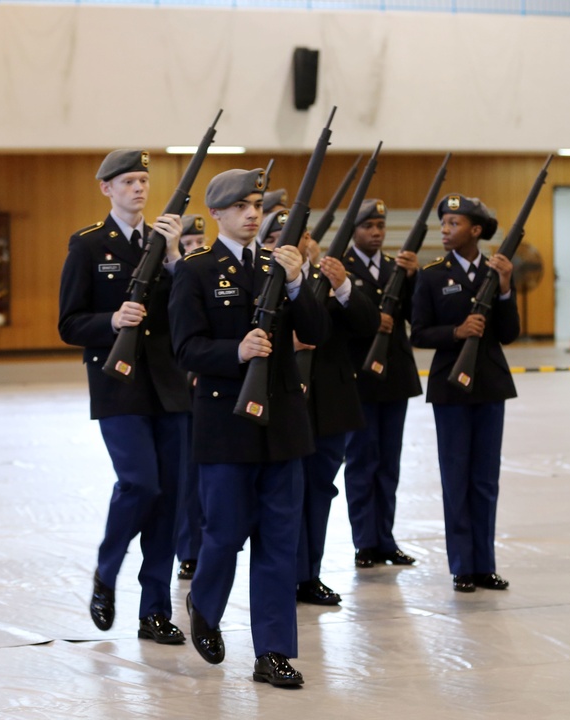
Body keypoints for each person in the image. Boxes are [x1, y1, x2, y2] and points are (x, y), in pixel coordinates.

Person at [169, 168, 328, 686]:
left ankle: (273, 652)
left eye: (256, 204)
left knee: (281, 541)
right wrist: (233, 352)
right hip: (226, 423)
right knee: (226, 533)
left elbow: (316, 331)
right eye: (239, 206)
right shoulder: (195, 270)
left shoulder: (278, 265)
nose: (252, 213)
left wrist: (301, 278)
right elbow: (185, 348)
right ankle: (206, 602)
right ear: (216, 214)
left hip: (282, 423)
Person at [58, 149, 190, 646]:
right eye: (128, 181)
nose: (138, 188)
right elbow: (69, 323)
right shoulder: (89, 245)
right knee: (141, 485)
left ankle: (154, 611)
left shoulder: (164, 244)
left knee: (170, 499)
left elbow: (186, 310)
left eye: (143, 180)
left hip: (170, 385)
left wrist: (176, 258)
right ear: (106, 188)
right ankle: (107, 568)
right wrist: (111, 321)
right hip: (119, 382)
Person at [266, 211, 380, 606]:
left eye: (294, 234)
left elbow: (367, 324)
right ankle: (285, 573)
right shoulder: (264, 276)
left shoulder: (326, 277)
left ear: (308, 238)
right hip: (286, 399)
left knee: (320, 491)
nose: (287, 242)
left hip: (331, 402)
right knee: (287, 494)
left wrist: (344, 285)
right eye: (277, 235)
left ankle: (309, 575)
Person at [410, 194, 519, 593]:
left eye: (454, 223)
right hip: (451, 387)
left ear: (476, 230)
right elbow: (419, 332)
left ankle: (484, 563)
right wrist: (456, 332)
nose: (445, 230)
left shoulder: (498, 271)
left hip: (490, 384)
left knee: (485, 480)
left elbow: (509, 333)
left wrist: (505, 290)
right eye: (443, 223)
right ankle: (462, 566)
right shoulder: (432, 274)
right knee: (456, 477)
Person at [343, 199, 422, 569]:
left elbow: (417, 316)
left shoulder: (395, 269)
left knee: (389, 463)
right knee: (362, 461)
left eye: (380, 226)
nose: (375, 232)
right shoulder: (341, 268)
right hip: (359, 378)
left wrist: (413, 279)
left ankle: (386, 539)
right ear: (353, 230)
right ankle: (365, 542)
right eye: (367, 226)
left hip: (394, 378)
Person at [175, 214, 207, 582]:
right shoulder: (172, 280)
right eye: (188, 244)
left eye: (199, 243)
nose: (195, 249)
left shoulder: (211, 275)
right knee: (187, 477)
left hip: (210, 385)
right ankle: (189, 550)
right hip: (181, 389)